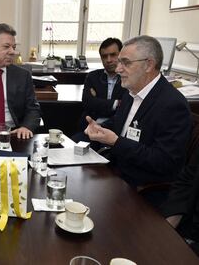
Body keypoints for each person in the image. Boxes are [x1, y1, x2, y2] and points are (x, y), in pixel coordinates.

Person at [84, 35, 191, 205]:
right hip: (116, 174)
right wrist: (99, 128)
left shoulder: (172, 104)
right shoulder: (130, 93)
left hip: (143, 190)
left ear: (148, 64)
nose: (118, 69)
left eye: (125, 63)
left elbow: (163, 162)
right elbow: (119, 124)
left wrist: (116, 142)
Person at [81, 38, 127, 126]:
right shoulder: (92, 76)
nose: (108, 60)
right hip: (90, 125)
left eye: (113, 55)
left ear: (121, 55)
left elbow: (125, 107)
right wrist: (116, 103)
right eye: (104, 56)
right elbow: (88, 102)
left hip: (116, 128)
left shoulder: (128, 78)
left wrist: (98, 102)